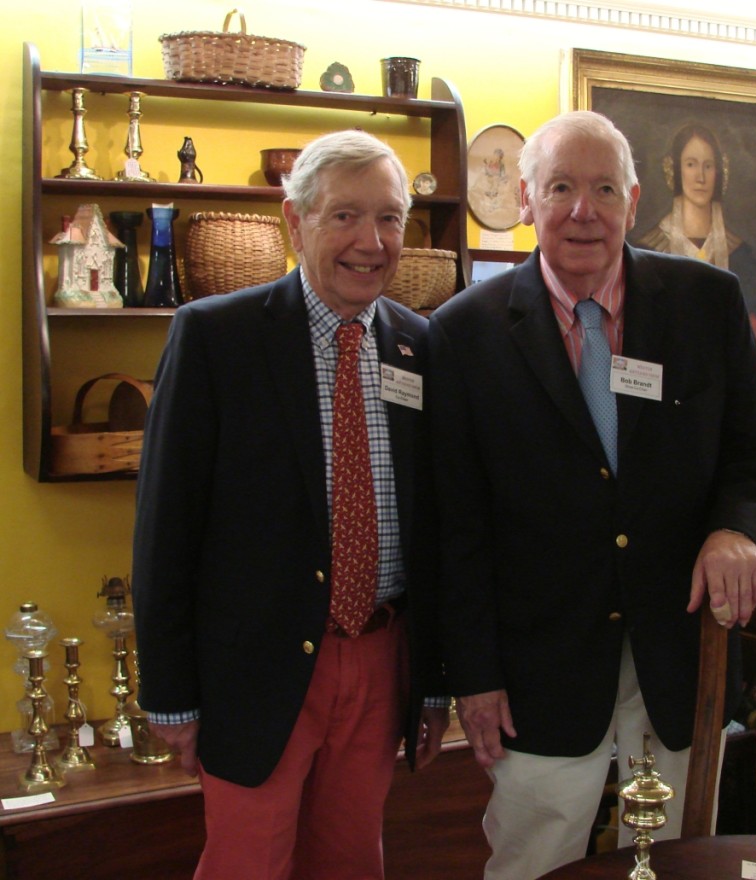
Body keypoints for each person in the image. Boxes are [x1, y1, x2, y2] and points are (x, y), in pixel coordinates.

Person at [428, 110, 756, 880]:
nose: (582, 211)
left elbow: (755, 450)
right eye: (560, 187)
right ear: (526, 200)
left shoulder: (708, 303)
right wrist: (474, 676)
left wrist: (736, 531)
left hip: (680, 649)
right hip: (538, 669)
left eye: (601, 189)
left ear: (630, 197)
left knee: (679, 859)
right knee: (535, 859)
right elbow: (455, 526)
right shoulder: (463, 334)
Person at [132, 129, 448, 880]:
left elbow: (442, 529)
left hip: (381, 659)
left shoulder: (423, 347)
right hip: (254, 667)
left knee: (350, 861)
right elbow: (164, 528)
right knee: (246, 863)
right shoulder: (215, 336)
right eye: (344, 216)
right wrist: (170, 695)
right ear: (293, 220)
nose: (370, 242)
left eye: (390, 218)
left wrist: (433, 679)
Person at [635, 122, 756, 367]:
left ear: (719, 173)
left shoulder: (736, 249)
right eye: (691, 164)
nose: (700, 177)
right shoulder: (649, 248)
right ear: (675, 170)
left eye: (708, 165)